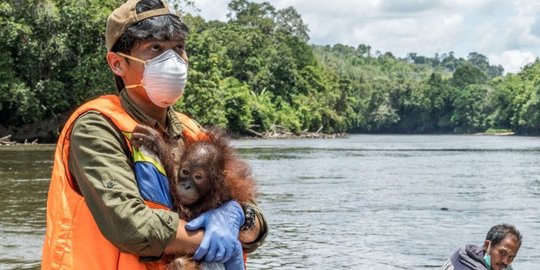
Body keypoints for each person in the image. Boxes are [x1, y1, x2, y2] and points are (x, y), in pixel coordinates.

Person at [41, 0, 268, 269]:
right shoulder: (96, 128)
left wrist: (239, 217)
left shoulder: (193, 134)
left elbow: (253, 217)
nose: (171, 60)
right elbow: (132, 226)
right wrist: (216, 237)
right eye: (155, 49)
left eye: (178, 48)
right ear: (117, 63)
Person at [441, 223, 522, 270]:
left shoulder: (465, 252)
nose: (505, 261)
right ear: (487, 245)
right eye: (502, 253)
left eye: (511, 257)